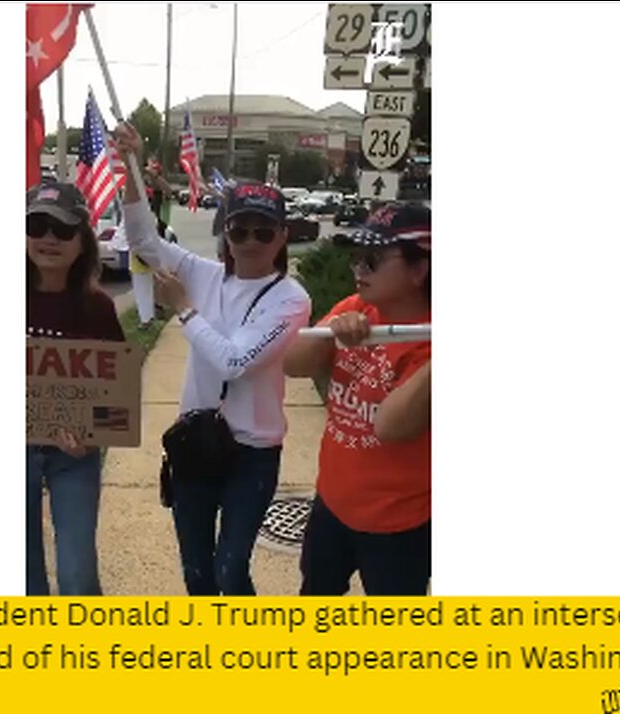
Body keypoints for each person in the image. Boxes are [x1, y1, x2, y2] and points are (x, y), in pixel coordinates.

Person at [115, 123, 311, 596]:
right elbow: (143, 241)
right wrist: (132, 168)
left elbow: (234, 362)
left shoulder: (290, 299)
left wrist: (184, 308)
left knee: (230, 570)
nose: (249, 240)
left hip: (253, 454)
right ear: (224, 229)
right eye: (238, 228)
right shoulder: (204, 273)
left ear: (282, 237)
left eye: (263, 232)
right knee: (197, 573)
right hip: (195, 442)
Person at [282, 202, 432, 596]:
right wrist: (332, 328)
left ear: (420, 269)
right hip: (332, 502)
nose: (358, 270)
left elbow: (391, 426)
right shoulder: (359, 307)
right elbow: (293, 364)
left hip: (398, 524)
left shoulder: (430, 344)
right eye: (355, 258)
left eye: (373, 259)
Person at [26, 182, 125, 596]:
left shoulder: (98, 308)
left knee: (77, 573)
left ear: (82, 243)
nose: (49, 237)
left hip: (73, 458)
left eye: (63, 230)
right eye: (37, 224)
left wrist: (92, 436)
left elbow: (118, 397)